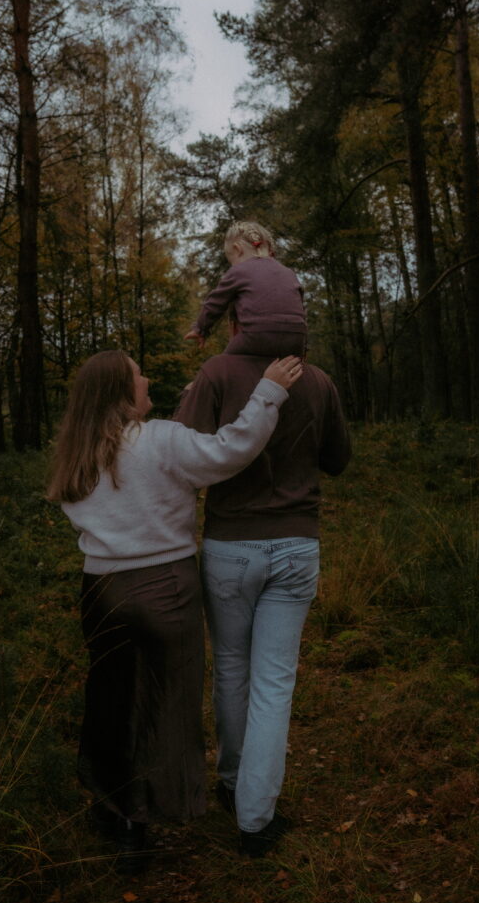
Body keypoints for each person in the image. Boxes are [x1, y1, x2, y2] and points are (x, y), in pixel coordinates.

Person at [46, 348, 303, 874]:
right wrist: (268, 391)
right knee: (164, 706)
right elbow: (230, 451)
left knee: (112, 698)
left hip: (101, 590)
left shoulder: (76, 452)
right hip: (166, 587)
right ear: (121, 393)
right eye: (139, 376)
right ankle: (147, 819)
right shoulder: (161, 439)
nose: (148, 380)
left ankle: (115, 811)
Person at [174, 319, 351, 857]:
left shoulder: (217, 373)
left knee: (231, 665)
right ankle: (255, 818)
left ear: (236, 321)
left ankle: (231, 783)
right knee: (274, 683)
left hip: (231, 546)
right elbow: (338, 461)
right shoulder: (316, 379)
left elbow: (182, 454)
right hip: (296, 545)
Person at [184, 221, 307, 358]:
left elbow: (215, 303)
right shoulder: (289, 273)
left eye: (231, 261)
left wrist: (200, 329)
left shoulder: (238, 271)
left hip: (258, 335)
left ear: (238, 249)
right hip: (296, 340)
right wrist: (303, 348)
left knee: (225, 363)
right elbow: (301, 311)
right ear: (270, 250)